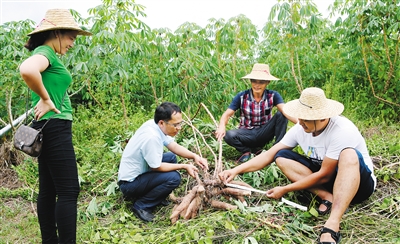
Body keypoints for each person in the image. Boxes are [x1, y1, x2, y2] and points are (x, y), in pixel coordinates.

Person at [219, 87, 376, 244]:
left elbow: (325, 174)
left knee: (348, 154)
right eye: (300, 117)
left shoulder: (342, 130)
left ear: (322, 118)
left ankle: (333, 223)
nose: (299, 122)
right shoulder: (301, 129)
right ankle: (327, 196)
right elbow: (268, 155)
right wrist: (235, 170)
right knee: (280, 157)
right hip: (330, 180)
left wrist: (286, 189)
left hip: (358, 185)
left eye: (306, 118)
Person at [19, 9, 92, 244]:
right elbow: (27, 69)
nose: (72, 44)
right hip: (55, 127)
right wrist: (46, 98)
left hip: (47, 126)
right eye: (71, 37)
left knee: (49, 191)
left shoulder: (50, 55)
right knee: (69, 191)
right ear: (58, 33)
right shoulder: (45, 53)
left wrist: (45, 97)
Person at [117, 102, 208, 222]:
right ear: (162, 122)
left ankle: (156, 195)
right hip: (129, 184)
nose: (179, 128)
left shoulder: (154, 124)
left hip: (141, 170)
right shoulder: (152, 137)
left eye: (180, 123)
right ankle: (141, 205)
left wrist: (194, 156)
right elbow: (156, 167)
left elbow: (173, 146)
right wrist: (184, 166)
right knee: (174, 177)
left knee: (171, 157)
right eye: (175, 125)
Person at [215, 63, 298, 163]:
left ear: (267, 82)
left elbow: (286, 110)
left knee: (281, 115)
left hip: (264, 132)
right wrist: (221, 126)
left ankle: (277, 150)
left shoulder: (273, 95)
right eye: (254, 81)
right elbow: (227, 114)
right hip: (247, 133)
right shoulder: (242, 96)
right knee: (229, 135)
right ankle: (246, 151)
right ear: (250, 81)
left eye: (261, 82)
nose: (257, 85)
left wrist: (301, 124)